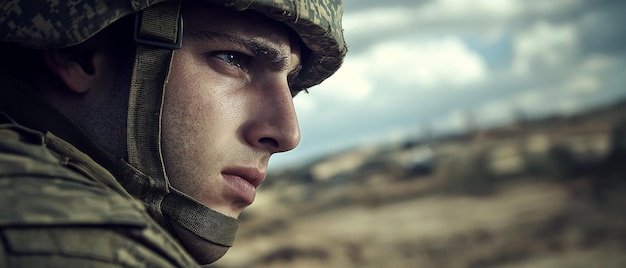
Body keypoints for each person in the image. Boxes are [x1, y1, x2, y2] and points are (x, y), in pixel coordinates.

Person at [0, 0, 346, 266]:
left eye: (293, 86)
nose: (288, 134)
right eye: (233, 58)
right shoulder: (76, 244)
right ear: (79, 55)